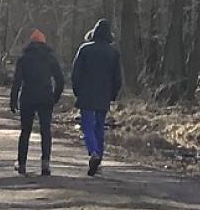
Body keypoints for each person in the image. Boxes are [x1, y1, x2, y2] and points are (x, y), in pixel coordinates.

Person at [69, 18, 122, 176]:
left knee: (87, 126)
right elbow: (117, 78)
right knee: (99, 127)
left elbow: (75, 74)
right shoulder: (113, 53)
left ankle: (93, 152)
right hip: (104, 95)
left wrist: (77, 91)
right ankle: (98, 159)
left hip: (86, 94)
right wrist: (113, 94)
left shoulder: (85, 49)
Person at [9, 29, 64, 176]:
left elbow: (17, 81)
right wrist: (55, 97)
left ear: (31, 42)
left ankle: (22, 164)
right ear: (44, 42)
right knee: (45, 131)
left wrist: (13, 100)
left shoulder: (24, 58)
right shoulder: (50, 58)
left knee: (25, 131)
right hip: (46, 97)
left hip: (28, 97)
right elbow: (60, 81)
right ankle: (45, 164)